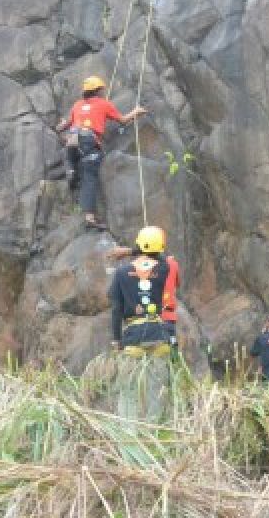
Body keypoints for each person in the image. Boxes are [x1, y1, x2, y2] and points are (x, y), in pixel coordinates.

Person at [55, 76, 148, 231]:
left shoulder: (77, 105)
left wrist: (59, 126)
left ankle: (71, 169)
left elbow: (63, 126)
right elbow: (123, 120)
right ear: (97, 91)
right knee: (89, 177)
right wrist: (136, 112)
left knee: (76, 161)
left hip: (72, 140)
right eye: (101, 90)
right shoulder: (103, 104)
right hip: (88, 140)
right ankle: (89, 218)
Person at [108, 227, 181, 351]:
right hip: (159, 335)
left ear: (138, 245)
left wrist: (117, 340)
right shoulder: (167, 267)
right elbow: (162, 259)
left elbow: (116, 309)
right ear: (161, 248)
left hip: (133, 338)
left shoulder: (121, 272)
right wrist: (132, 251)